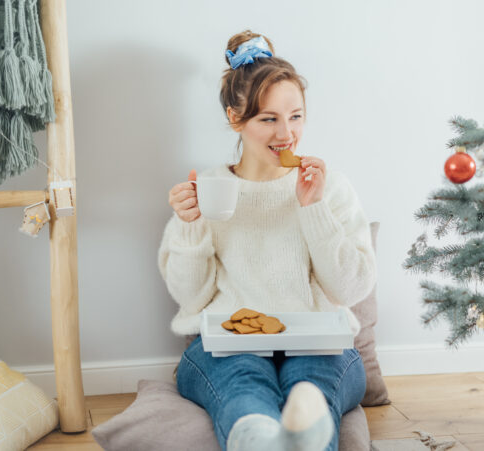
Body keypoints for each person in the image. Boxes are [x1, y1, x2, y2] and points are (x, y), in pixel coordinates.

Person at [158, 30, 376, 451]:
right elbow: (190, 297)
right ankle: (259, 439)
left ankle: (304, 440)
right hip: (227, 349)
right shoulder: (208, 189)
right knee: (244, 391)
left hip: (319, 342)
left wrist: (313, 209)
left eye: (296, 116)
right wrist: (190, 224)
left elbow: (350, 289)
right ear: (235, 119)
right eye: (269, 119)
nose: (287, 134)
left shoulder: (330, 187)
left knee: (310, 395)